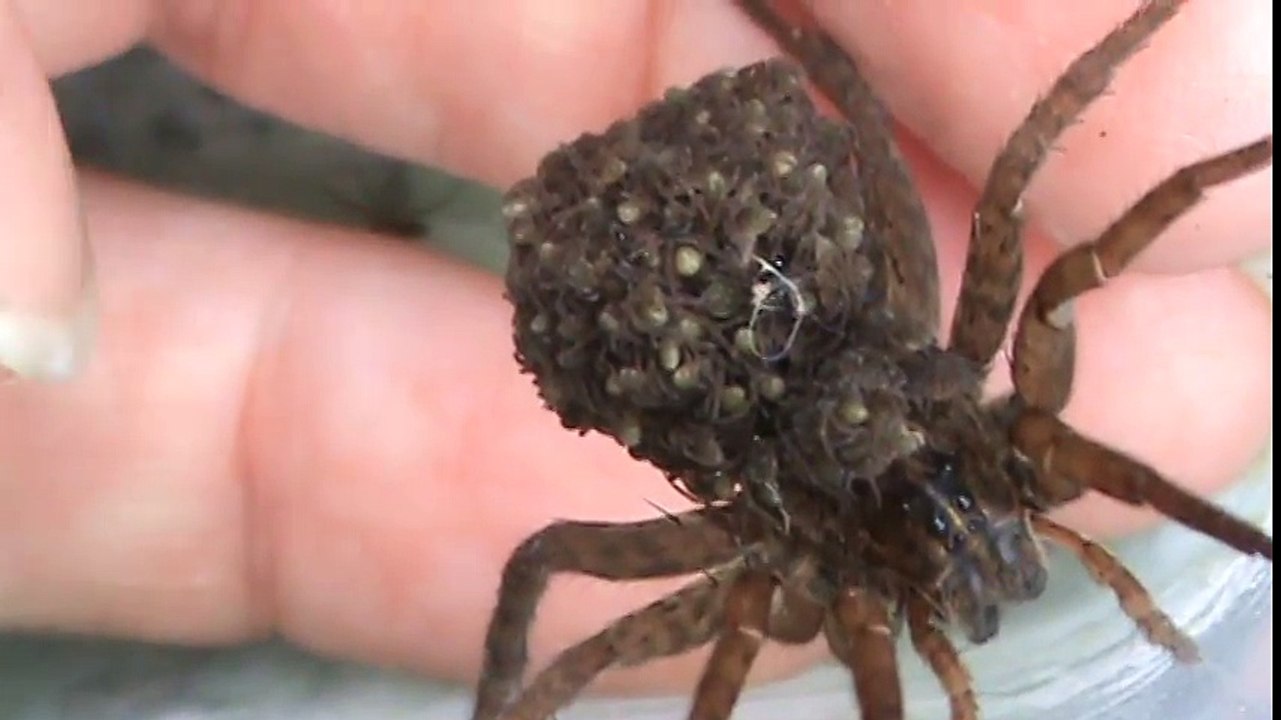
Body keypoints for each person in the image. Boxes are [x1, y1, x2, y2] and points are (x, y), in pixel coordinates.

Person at [0, 0, 1270, 692]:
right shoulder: (823, 556)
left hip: (758, 306)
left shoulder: (792, 571)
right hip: (778, 316)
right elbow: (1011, 212)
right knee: (984, 192)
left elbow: (576, 581)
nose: (965, 527)